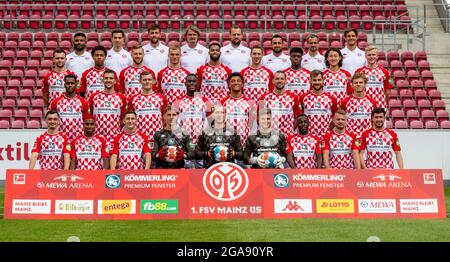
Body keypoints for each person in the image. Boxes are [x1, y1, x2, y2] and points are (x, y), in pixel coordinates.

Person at [89, 69, 127, 147]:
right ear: (102, 80)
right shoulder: (94, 97)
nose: (108, 80)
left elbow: (123, 119)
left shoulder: (121, 97)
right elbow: (91, 116)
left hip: (115, 138)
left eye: (111, 78)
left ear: (115, 81)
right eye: (106, 78)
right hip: (97, 139)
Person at [128, 70, 168, 140]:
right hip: (139, 138)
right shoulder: (133, 99)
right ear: (140, 81)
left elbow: (165, 118)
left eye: (149, 79)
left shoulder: (161, 98)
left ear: (153, 81)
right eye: (144, 80)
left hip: (158, 137)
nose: (147, 82)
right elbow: (131, 119)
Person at [259, 71, 301, 137]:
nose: (279, 81)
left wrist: (291, 129)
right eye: (277, 79)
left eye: (282, 79)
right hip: (270, 136)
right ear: (273, 81)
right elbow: (259, 118)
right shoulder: (264, 97)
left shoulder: (293, 97)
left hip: (287, 136)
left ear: (285, 81)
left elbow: (298, 116)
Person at [299, 70, 338, 140]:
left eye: (319, 80)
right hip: (308, 137)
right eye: (314, 80)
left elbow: (335, 117)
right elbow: (300, 116)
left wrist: (328, 130)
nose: (317, 82)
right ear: (310, 81)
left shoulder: (331, 98)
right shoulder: (303, 97)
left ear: (323, 81)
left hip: (325, 137)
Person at [49, 74, 89, 141]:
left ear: (76, 84)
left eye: (72, 83)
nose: (70, 85)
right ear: (64, 85)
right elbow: (53, 121)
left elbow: (86, 121)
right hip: (61, 139)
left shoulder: (83, 102)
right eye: (68, 83)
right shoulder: (56, 102)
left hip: (78, 139)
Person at [220, 72, 254, 147]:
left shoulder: (250, 102)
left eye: (238, 81)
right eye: (233, 81)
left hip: (245, 143)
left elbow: (252, 125)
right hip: (226, 142)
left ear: (242, 84)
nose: (236, 83)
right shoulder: (222, 101)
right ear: (229, 84)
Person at [355, 45, 392, 110]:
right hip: (364, 104)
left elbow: (388, 91)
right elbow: (355, 89)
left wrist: (381, 99)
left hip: (380, 104)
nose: (371, 57)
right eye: (369, 55)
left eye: (373, 55)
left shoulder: (385, 71)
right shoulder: (359, 71)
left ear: (377, 56)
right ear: (365, 56)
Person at [340, 72, 377, 138]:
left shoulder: (372, 101)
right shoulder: (345, 101)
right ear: (352, 84)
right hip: (350, 137)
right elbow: (341, 119)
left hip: (367, 137)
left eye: (361, 82)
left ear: (365, 84)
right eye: (356, 83)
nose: (358, 84)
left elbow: (374, 120)